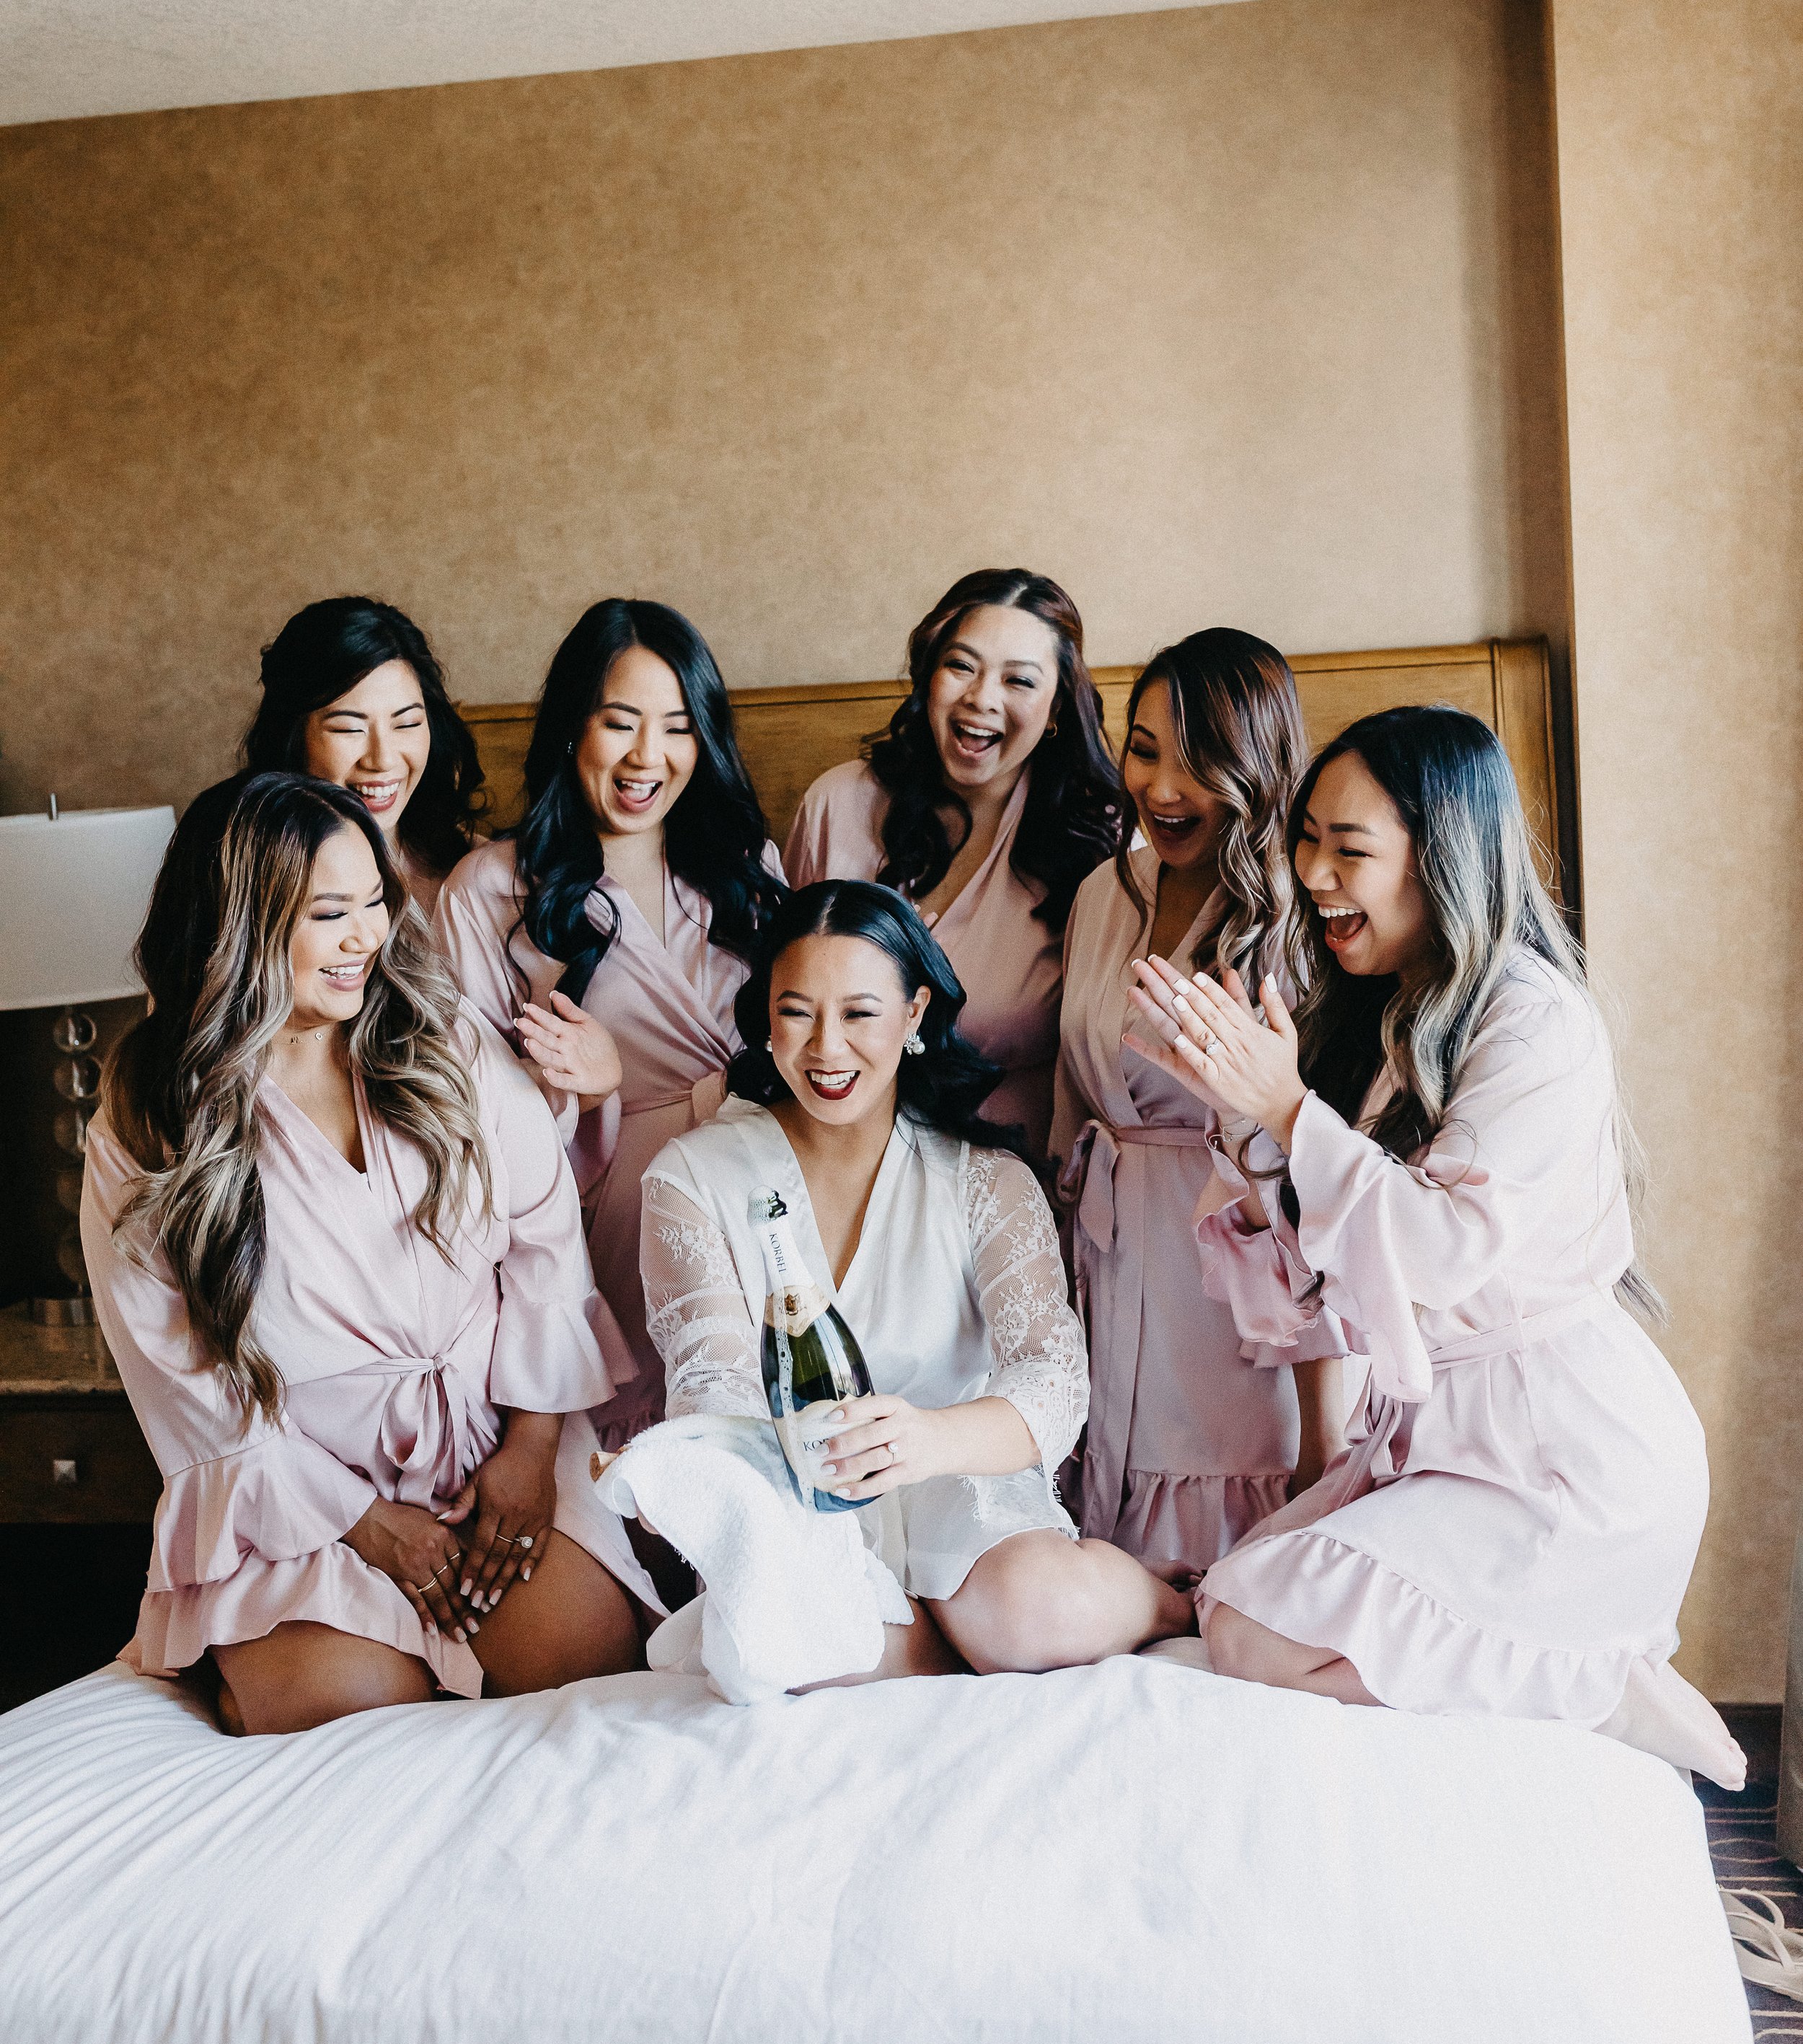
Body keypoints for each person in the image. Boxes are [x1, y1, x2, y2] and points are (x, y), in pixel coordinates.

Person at [1124, 705, 1743, 1784]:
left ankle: (1594, 1684)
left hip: (1565, 1459)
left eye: (1349, 848)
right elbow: (1312, 1293)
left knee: (1256, 1628)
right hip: (1450, 1436)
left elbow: (1441, 1247)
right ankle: (1562, 1671)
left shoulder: (1535, 1021)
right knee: (1236, 1600)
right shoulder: (1386, 1016)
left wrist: (1285, 1111)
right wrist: (1241, 1115)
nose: (1313, 873)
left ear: (1442, 855)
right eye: (1305, 838)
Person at [81, 772, 656, 1737]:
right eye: (329, 913)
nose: (366, 937)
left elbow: (544, 1240)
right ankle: (257, 1655)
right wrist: (365, 1522)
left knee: (583, 1662)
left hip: (485, 1452)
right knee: (348, 1709)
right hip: (299, 1491)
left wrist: (529, 1448)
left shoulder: (445, 1040)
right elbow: (181, 1378)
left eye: (375, 902)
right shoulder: (152, 1119)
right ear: (238, 924)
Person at [641, 881, 1192, 1678]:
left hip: (959, 1480)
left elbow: (1053, 1378)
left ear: (914, 1013)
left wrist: (927, 1440)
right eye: (798, 1012)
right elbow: (713, 1388)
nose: (827, 1048)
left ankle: (1161, 1600)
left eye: (859, 1014)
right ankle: (951, 1647)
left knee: (1040, 1610)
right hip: (793, 1502)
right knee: (808, 1645)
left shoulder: (986, 1179)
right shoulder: (692, 1179)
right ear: (766, 1017)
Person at [437, 599, 785, 1442]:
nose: (646, 756)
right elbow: (463, 1123)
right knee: (634, 1470)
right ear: (571, 727)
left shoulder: (749, 868)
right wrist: (589, 1094)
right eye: (620, 723)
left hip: (759, 1204)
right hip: (603, 1224)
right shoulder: (489, 889)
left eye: (677, 728)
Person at [1053, 630, 1342, 1584]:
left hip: (1231, 1275)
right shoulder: (1103, 894)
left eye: (1199, 763)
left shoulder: (1298, 927)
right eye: (1144, 751)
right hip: (1109, 1249)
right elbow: (1069, 1102)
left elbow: (1318, 1178)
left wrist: (1328, 1434)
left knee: (1224, 1550)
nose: (1164, 788)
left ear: (1255, 770)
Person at [784, 569, 1123, 1163]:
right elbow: (778, 996)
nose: (982, 699)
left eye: (1019, 680)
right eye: (961, 666)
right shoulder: (837, 805)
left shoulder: (1101, 840)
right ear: (928, 678)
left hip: (1016, 1173)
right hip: (838, 1163)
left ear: (1055, 711)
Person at [244, 595, 483, 918]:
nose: (382, 760)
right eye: (349, 729)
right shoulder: (245, 880)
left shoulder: (481, 874)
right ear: (291, 735)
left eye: (407, 723)